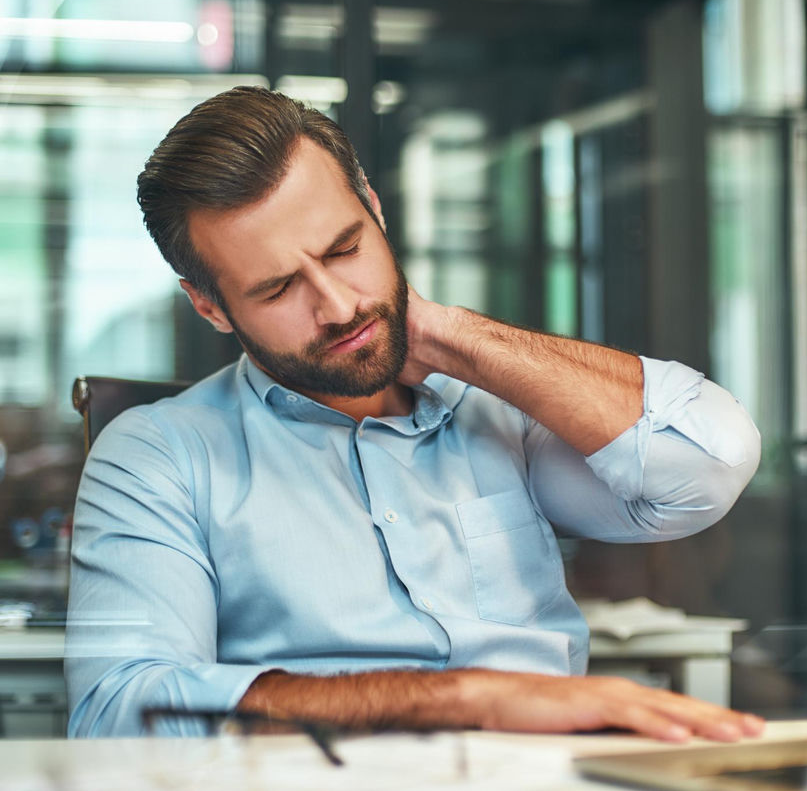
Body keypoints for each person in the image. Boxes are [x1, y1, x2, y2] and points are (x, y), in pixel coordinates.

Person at [66, 86, 763, 741]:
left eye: (345, 250)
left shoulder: (499, 412)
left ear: (373, 206)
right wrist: (468, 699)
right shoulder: (159, 453)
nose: (339, 308)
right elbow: (120, 711)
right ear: (210, 305)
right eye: (278, 288)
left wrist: (440, 334)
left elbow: (707, 468)